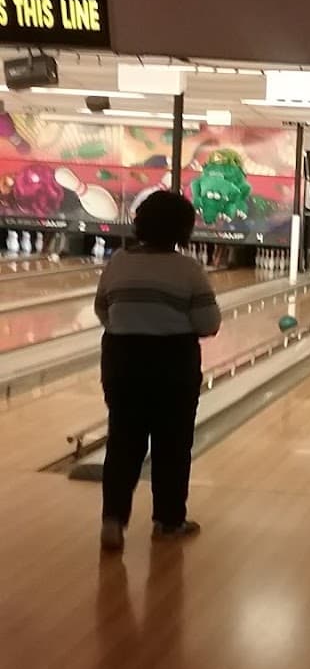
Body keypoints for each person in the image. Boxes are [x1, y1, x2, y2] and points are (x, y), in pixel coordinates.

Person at [94, 190, 221, 553]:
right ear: (184, 230)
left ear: (139, 224)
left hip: (122, 358)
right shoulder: (189, 270)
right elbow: (208, 323)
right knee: (172, 445)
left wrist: (132, 323)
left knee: (123, 442)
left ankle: (113, 521)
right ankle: (168, 522)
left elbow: (103, 310)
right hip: (173, 362)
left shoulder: (117, 262)